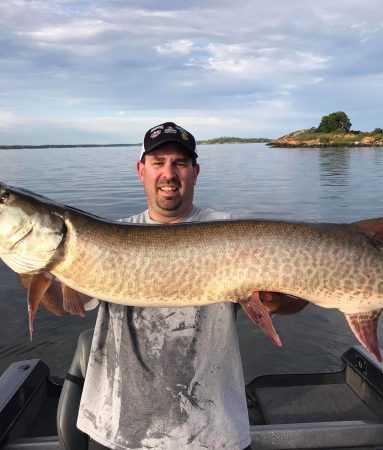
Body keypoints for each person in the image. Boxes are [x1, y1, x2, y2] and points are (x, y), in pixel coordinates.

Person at [76, 122, 306, 450]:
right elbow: (61, 302)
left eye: (180, 163)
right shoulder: (108, 235)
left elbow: (300, 297)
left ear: (195, 172)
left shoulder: (232, 231)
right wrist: (30, 268)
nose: (168, 174)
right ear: (141, 170)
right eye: (158, 162)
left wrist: (278, 301)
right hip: (116, 430)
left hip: (212, 434)